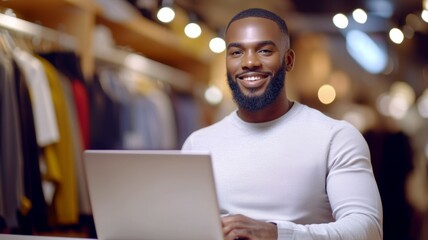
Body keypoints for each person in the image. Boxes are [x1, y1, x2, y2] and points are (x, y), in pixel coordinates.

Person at [182, 8, 383, 240]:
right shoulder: (198, 144)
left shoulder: (336, 137)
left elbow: (367, 230)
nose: (249, 62)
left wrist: (277, 233)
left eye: (264, 50)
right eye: (236, 52)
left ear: (288, 60)